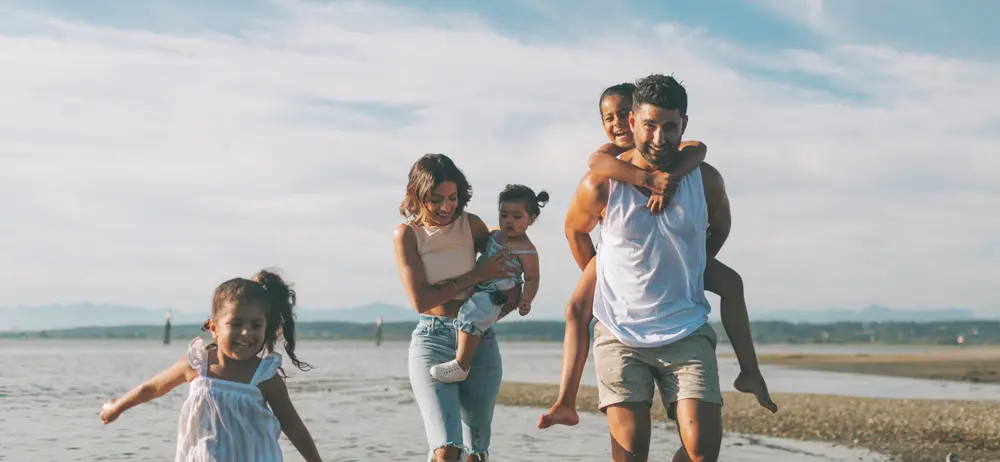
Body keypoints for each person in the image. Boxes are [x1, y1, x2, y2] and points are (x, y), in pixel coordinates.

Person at [538, 82, 777, 434]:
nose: (618, 124)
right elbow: (585, 195)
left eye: (623, 115)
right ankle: (565, 400)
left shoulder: (691, 162)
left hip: (677, 282)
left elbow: (699, 151)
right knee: (576, 309)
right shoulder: (605, 167)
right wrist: (646, 181)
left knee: (731, 283)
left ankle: (749, 370)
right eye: (612, 118)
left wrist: (692, 262)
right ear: (637, 121)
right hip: (616, 275)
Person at [99, 269, 323, 462]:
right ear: (214, 328)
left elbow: (293, 426)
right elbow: (152, 388)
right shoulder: (197, 366)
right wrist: (117, 407)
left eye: (256, 325)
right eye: (236, 324)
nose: (246, 333)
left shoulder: (265, 377)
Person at [393, 153, 523, 462]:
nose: (447, 207)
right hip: (432, 340)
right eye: (436, 199)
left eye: (453, 198)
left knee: (476, 453)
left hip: (479, 341)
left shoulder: (472, 225)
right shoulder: (407, 234)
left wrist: (507, 300)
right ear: (417, 194)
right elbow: (421, 300)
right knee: (447, 449)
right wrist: (477, 275)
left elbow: (510, 255)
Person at [430, 184, 547, 382]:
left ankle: (461, 365)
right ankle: (459, 353)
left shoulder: (527, 250)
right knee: (464, 310)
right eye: (504, 215)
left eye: (516, 217)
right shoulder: (494, 234)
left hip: (499, 291)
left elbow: (532, 278)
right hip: (480, 283)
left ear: (532, 219)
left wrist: (526, 299)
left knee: (472, 316)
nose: (508, 221)